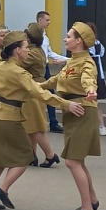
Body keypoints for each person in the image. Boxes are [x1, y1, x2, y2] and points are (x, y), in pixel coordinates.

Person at [0, 31, 84, 210]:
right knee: (25, 157)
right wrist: (66, 104)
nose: (28, 50)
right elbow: (40, 94)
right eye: (26, 47)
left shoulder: (2, 66)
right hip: (10, 118)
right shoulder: (19, 72)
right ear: (17, 50)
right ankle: (1, 190)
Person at [45, 22, 101, 210]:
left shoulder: (86, 62)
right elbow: (56, 81)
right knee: (79, 160)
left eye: (68, 36)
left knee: (72, 161)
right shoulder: (71, 61)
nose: (65, 39)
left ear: (79, 41)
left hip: (82, 110)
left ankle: (87, 209)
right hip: (72, 110)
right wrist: (33, 86)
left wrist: (90, 90)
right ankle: (92, 200)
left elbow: (88, 79)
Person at [22, 23, 60, 168]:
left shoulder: (31, 53)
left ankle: (50, 155)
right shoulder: (37, 50)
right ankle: (31, 155)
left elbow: (17, 64)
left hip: (34, 90)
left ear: (29, 39)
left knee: (36, 128)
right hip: (33, 89)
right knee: (30, 126)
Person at [36, 11, 65, 133]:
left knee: (50, 93)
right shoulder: (33, 37)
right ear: (39, 20)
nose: (49, 22)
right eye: (47, 20)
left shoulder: (46, 38)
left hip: (45, 67)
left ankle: (53, 122)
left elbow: (50, 53)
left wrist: (67, 59)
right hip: (36, 67)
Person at [86, 22, 106, 136]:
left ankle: (101, 126)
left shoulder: (94, 45)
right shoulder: (94, 44)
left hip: (93, 74)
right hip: (91, 74)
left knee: (94, 101)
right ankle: (97, 126)